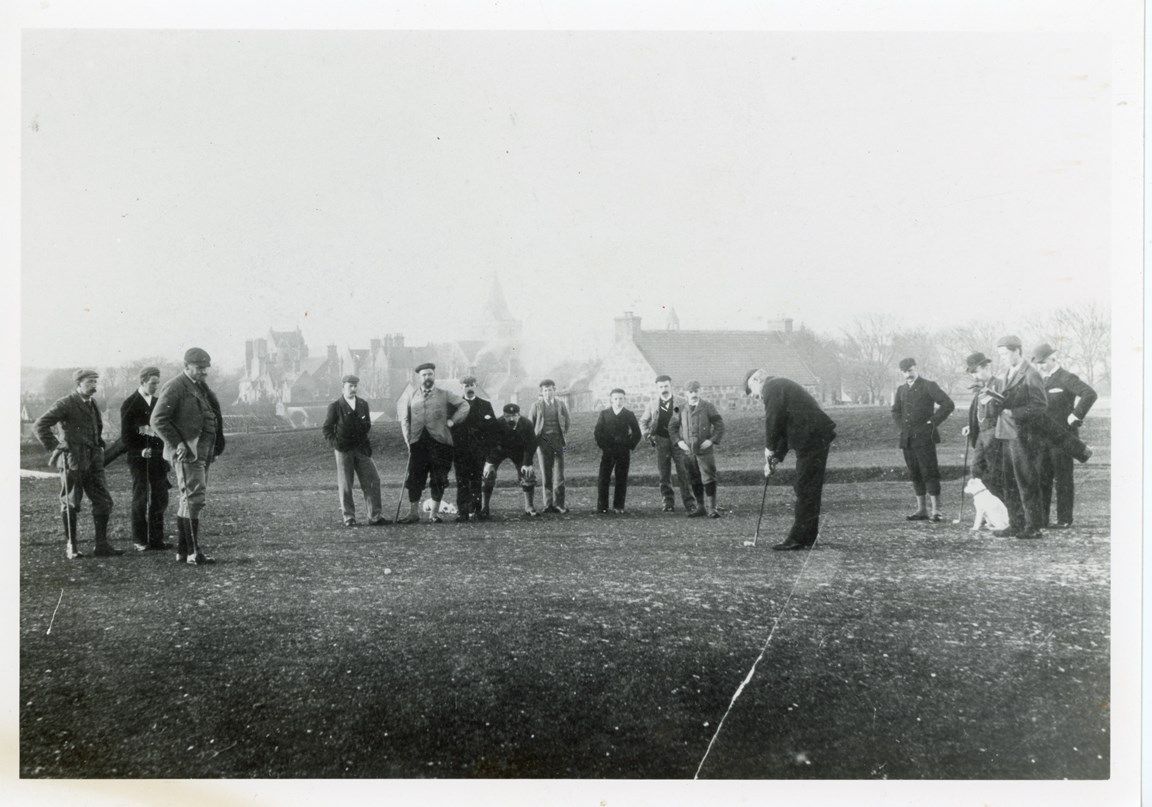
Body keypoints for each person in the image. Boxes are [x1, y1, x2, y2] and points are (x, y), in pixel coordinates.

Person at [745, 369, 837, 551]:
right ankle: (807, 537)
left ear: (757, 379)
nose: (756, 397)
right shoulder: (779, 386)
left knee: (805, 486)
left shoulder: (771, 387)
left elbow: (774, 421)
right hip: (814, 437)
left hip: (812, 438)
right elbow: (786, 428)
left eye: (753, 391)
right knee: (808, 487)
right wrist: (775, 458)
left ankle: (798, 538)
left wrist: (769, 450)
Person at [33, 369, 122, 559]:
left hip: (94, 462)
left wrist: (99, 446)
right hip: (73, 461)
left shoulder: (92, 403)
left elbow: (96, 428)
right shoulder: (66, 403)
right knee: (71, 502)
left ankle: (101, 546)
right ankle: (71, 546)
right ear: (78, 383)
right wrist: (56, 446)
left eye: (96, 382)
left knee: (103, 501)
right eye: (90, 382)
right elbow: (40, 424)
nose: (94, 385)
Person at [151, 348, 226, 564]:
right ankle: (193, 553)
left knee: (190, 499)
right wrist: (177, 443)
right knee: (194, 498)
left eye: (205, 368)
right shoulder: (175, 386)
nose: (204, 372)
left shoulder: (198, 386)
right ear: (186, 366)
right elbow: (158, 419)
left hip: (202, 451)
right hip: (188, 452)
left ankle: (183, 552)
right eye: (199, 368)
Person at [983, 335, 1047, 539]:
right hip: (1007, 433)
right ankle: (1017, 523)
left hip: (1024, 436)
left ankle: (1033, 526)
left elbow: (1041, 405)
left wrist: (1015, 413)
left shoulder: (1031, 374)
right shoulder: (1007, 373)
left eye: (1004, 354)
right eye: (1000, 354)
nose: (1002, 358)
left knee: (1026, 481)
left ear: (1017, 351)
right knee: (1008, 481)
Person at [1032, 342, 1098, 528]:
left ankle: (1064, 520)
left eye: (1043, 362)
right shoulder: (1038, 379)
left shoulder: (1066, 378)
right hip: (1042, 438)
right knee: (1042, 478)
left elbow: (1089, 394)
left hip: (1063, 438)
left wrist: (1076, 415)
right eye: (1038, 363)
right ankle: (1042, 519)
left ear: (1054, 358)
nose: (1041, 366)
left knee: (1063, 480)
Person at [397, 363, 470, 524]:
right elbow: (404, 419)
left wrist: (452, 421)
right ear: (419, 377)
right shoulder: (411, 395)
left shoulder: (444, 394)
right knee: (415, 478)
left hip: (441, 444)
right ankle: (413, 513)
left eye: (430, 374)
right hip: (418, 444)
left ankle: (434, 514)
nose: (427, 377)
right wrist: (408, 440)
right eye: (424, 375)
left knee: (439, 478)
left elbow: (464, 405)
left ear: (434, 376)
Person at [891, 358, 955, 522]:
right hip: (907, 439)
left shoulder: (928, 385)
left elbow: (948, 404)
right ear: (901, 372)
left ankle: (936, 510)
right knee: (915, 473)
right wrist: (902, 427)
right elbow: (895, 411)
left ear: (916, 369)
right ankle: (921, 510)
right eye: (905, 371)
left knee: (930, 472)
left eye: (910, 370)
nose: (908, 374)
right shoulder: (901, 390)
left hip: (925, 438)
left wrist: (932, 423)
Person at [322, 374, 386, 528]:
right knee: (345, 484)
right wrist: (337, 444)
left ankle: (374, 516)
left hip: (362, 449)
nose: (353, 388)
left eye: (355, 385)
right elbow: (327, 429)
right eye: (350, 386)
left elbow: (367, 425)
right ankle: (349, 517)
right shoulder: (335, 406)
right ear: (343, 387)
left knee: (373, 480)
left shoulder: (363, 404)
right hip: (343, 450)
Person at [119, 366, 172, 551]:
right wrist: (140, 450)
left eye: (157, 383)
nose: (155, 386)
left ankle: (156, 539)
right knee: (141, 497)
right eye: (152, 383)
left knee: (160, 497)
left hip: (158, 458)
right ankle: (140, 540)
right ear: (142, 381)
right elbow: (126, 436)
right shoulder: (130, 403)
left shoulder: (159, 402)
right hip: (139, 459)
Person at [639, 375, 696, 512]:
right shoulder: (653, 404)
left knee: (683, 471)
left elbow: (691, 421)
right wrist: (647, 435)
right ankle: (668, 502)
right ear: (657, 388)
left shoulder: (682, 402)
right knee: (664, 473)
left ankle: (689, 502)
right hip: (661, 441)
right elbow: (643, 422)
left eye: (666, 386)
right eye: (661, 387)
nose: (664, 389)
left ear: (671, 386)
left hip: (679, 441)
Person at [669, 380, 726, 518]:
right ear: (685, 393)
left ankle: (711, 508)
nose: (693, 394)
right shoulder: (680, 408)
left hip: (704, 450)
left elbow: (720, 425)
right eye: (690, 392)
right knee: (693, 477)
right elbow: (672, 427)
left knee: (709, 477)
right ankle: (700, 507)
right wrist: (679, 442)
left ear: (700, 391)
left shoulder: (708, 406)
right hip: (688, 452)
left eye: (696, 391)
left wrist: (711, 440)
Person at [961, 352, 1005, 503]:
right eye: (972, 373)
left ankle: (1003, 508)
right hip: (981, 435)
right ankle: (988, 506)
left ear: (986, 367)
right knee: (976, 470)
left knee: (994, 472)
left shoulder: (999, 384)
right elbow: (979, 411)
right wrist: (971, 426)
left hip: (996, 435)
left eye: (976, 371)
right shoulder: (979, 388)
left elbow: (1004, 409)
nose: (975, 376)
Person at [482, 403, 539, 519]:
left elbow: (531, 444)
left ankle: (529, 507)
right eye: (508, 416)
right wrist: (490, 463)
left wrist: (527, 463)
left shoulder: (527, 424)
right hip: (499, 451)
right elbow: (489, 444)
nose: (511, 418)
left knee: (528, 474)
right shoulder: (497, 424)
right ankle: (484, 508)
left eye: (515, 415)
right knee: (487, 474)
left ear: (519, 415)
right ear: (504, 416)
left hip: (518, 452)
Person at [451, 376, 497, 523]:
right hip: (461, 451)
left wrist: (486, 450)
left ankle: (476, 511)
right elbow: (451, 428)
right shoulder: (454, 406)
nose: (469, 388)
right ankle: (462, 512)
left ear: (476, 386)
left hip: (478, 451)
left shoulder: (485, 405)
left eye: (471, 385)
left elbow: (492, 430)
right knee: (462, 481)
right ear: (461, 387)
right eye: (466, 385)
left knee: (476, 480)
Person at [593, 388, 642, 513]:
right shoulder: (604, 413)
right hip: (608, 451)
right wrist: (604, 446)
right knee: (603, 478)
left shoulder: (629, 414)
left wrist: (628, 445)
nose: (618, 401)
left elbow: (637, 433)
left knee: (621, 478)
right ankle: (602, 506)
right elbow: (598, 432)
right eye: (615, 398)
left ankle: (618, 506)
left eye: (621, 398)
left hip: (623, 452)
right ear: (611, 399)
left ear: (624, 399)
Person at [528, 379, 571, 514]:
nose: (548, 393)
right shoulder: (536, 406)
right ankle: (548, 504)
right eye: (545, 390)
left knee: (559, 474)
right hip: (543, 442)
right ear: (541, 392)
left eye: (550, 390)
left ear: (554, 390)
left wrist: (563, 434)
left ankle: (559, 504)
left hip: (558, 441)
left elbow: (568, 421)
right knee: (546, 474)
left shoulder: (560, 404)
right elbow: (531, 424)